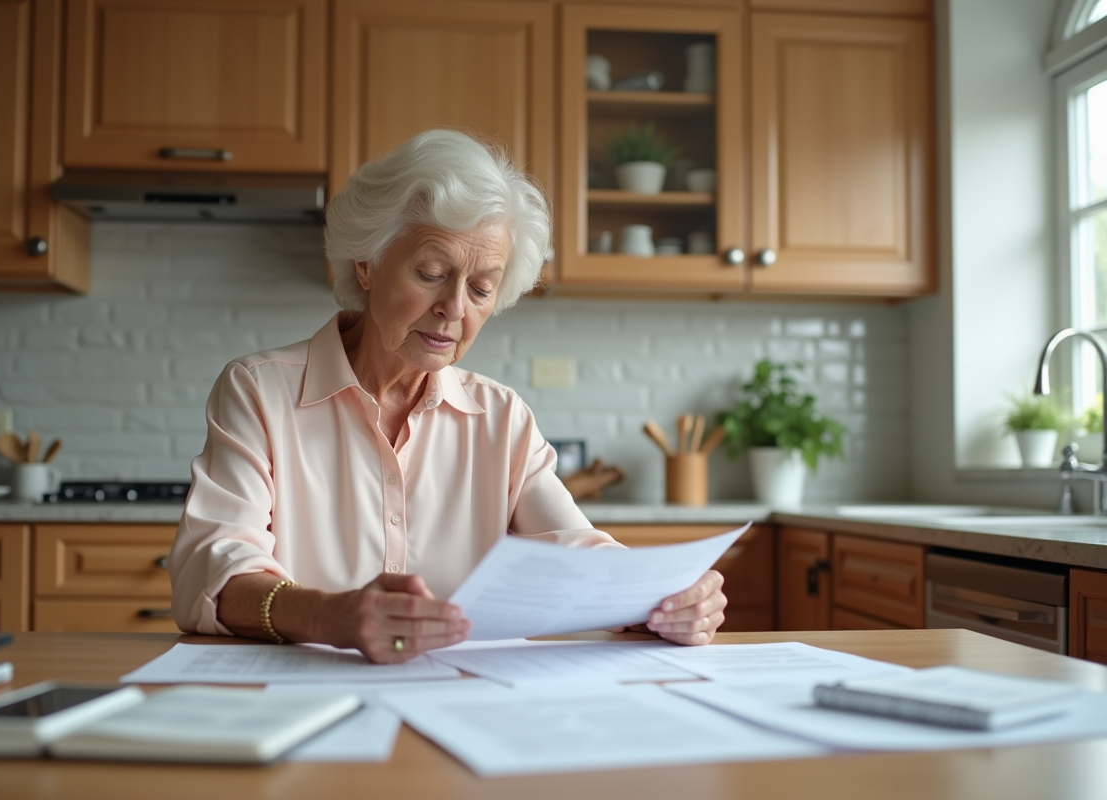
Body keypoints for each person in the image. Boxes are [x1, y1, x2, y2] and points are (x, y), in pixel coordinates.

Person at [169, 129, 727, 663]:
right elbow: (212, 568)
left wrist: (667, 599)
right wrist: (330, 616)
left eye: (482, 288)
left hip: (464, 705)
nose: (455, 308)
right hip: (304, 699)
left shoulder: (501, 417)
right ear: (366, 264)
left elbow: (575, 549)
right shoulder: (259, 390)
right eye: (431, 272)